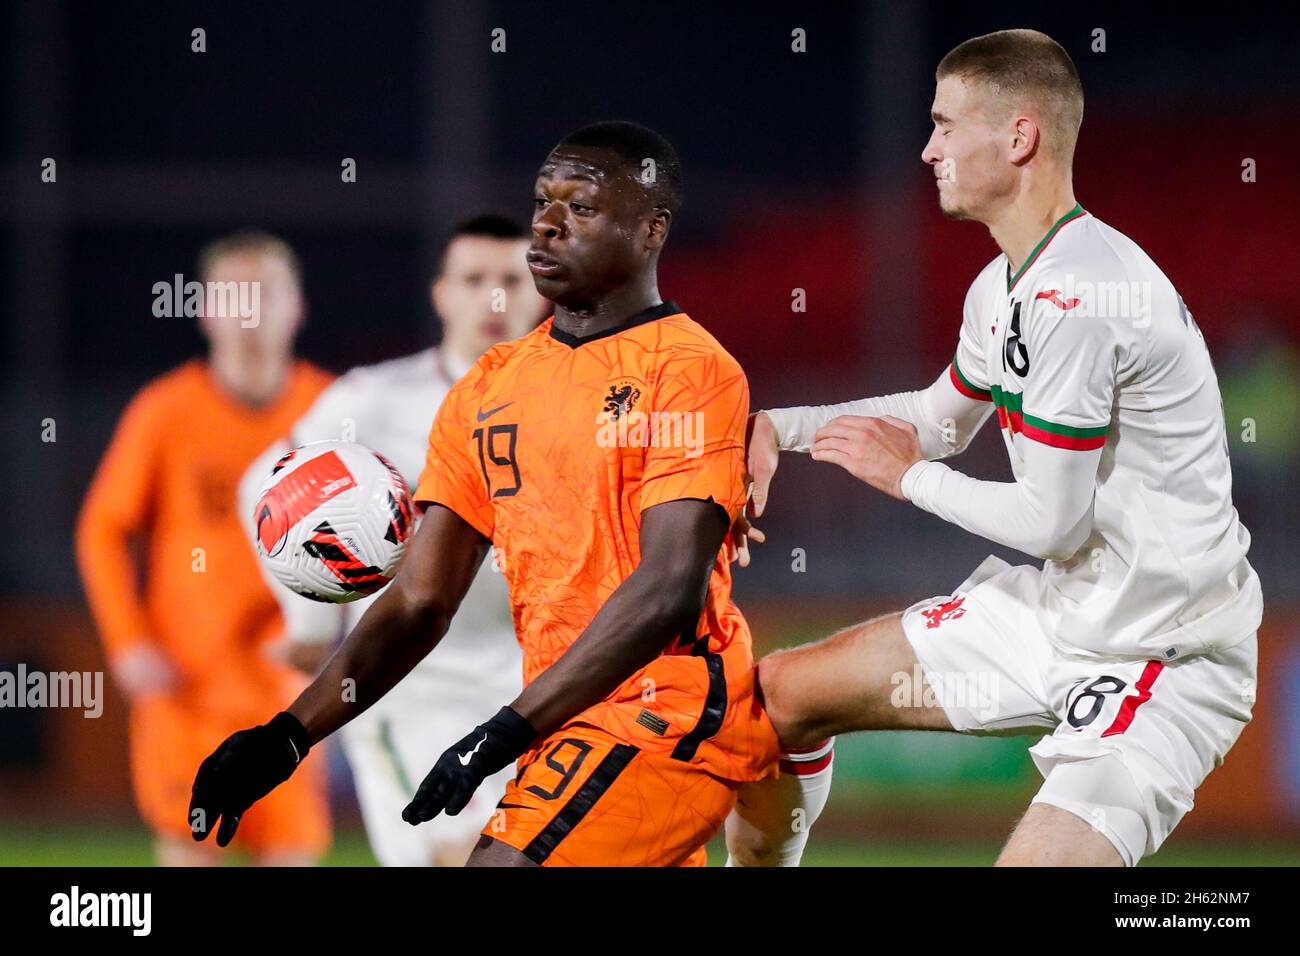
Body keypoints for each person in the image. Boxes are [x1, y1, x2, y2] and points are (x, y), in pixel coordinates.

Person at [190, 121, 783, 866]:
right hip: (566, 719)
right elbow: (419, 600)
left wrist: (506, 728)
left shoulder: (691, 369)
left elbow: (666, 589)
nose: (548, 221)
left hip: (665, 712)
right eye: (543, 200)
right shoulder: (487, 387)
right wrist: (286, 736)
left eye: (582, 207)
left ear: (650, 230)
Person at [736, 29, 1261, 867]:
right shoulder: (1004, 283)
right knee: (775, 699)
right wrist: (781, 427)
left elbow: (1050, 520)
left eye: (946, 125)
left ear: (1018, 137)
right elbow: (940, 419)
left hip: (1165, 659)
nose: (927, 148)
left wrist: (909, 479)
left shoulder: (1083, 293)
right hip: (1059, 618)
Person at [239, 213, 545, 866]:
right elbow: (263, 490)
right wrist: (309, 618)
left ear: (541, 289)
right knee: (464, 858)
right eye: (473, 278)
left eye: (511, 280)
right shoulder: (374, 399)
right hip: (404, 690)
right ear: (441, 293)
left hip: (533, 686)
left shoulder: (569, 401)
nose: (493, 297)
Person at [77, 231, 334, 866]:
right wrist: (128, 640)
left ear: (297, 307)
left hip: (289, 695)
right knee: (192, 853)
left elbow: (383, 539)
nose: (250, 315)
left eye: (266, 295)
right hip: (187, 692)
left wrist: (343, 634)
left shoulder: (335, 411)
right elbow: (103, 529)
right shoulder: (165, 413)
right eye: (233, 297)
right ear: (204, 311)